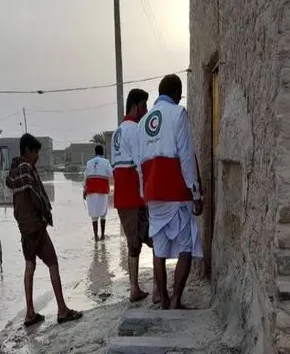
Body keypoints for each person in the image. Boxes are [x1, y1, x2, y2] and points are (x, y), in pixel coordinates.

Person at [136, 74, 204, 310]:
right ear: (177, 92)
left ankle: (164, 299)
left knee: (160, 248)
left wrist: (145, 194)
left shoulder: (143, 121)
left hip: (153, 192)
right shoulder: (178, 113)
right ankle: (176, 300)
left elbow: (139, 163)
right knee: (187, 245)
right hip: (175, 189)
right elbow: (186, 156)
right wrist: (195, 192)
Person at [5, 133, 83, 327]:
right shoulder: (25, 169)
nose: (37, 156)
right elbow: (34, 196)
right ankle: (62, 310)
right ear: (28, 151)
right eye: (36, 152)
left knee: (29, 265)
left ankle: (30, 312)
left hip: (24, 227)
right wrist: (45, 212)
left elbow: (18, 195)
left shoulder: (14, 171)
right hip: (35, 226)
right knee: (53, 263)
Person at [112, 88, 160, 303]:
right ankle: (157, 290)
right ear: (135, 106)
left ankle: (134, 288)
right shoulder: (135, 130)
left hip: (122, 198)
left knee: (133, 244)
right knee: (156, 239)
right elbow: (140, 166)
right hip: (135, 196)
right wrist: (147, 196)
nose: (146, 110)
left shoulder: (117, 132)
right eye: (144, 105)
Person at [83, 145, 113, 241]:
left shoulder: (89, 163)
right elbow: (111, 174)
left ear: (95, 152)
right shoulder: (106, 162)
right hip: (102, 189)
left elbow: (85, 177)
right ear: (103, 152)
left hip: (91, 190)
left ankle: (96, 236)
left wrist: (84, 190)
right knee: (103, 213)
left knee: (94, 215)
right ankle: (103, 236)